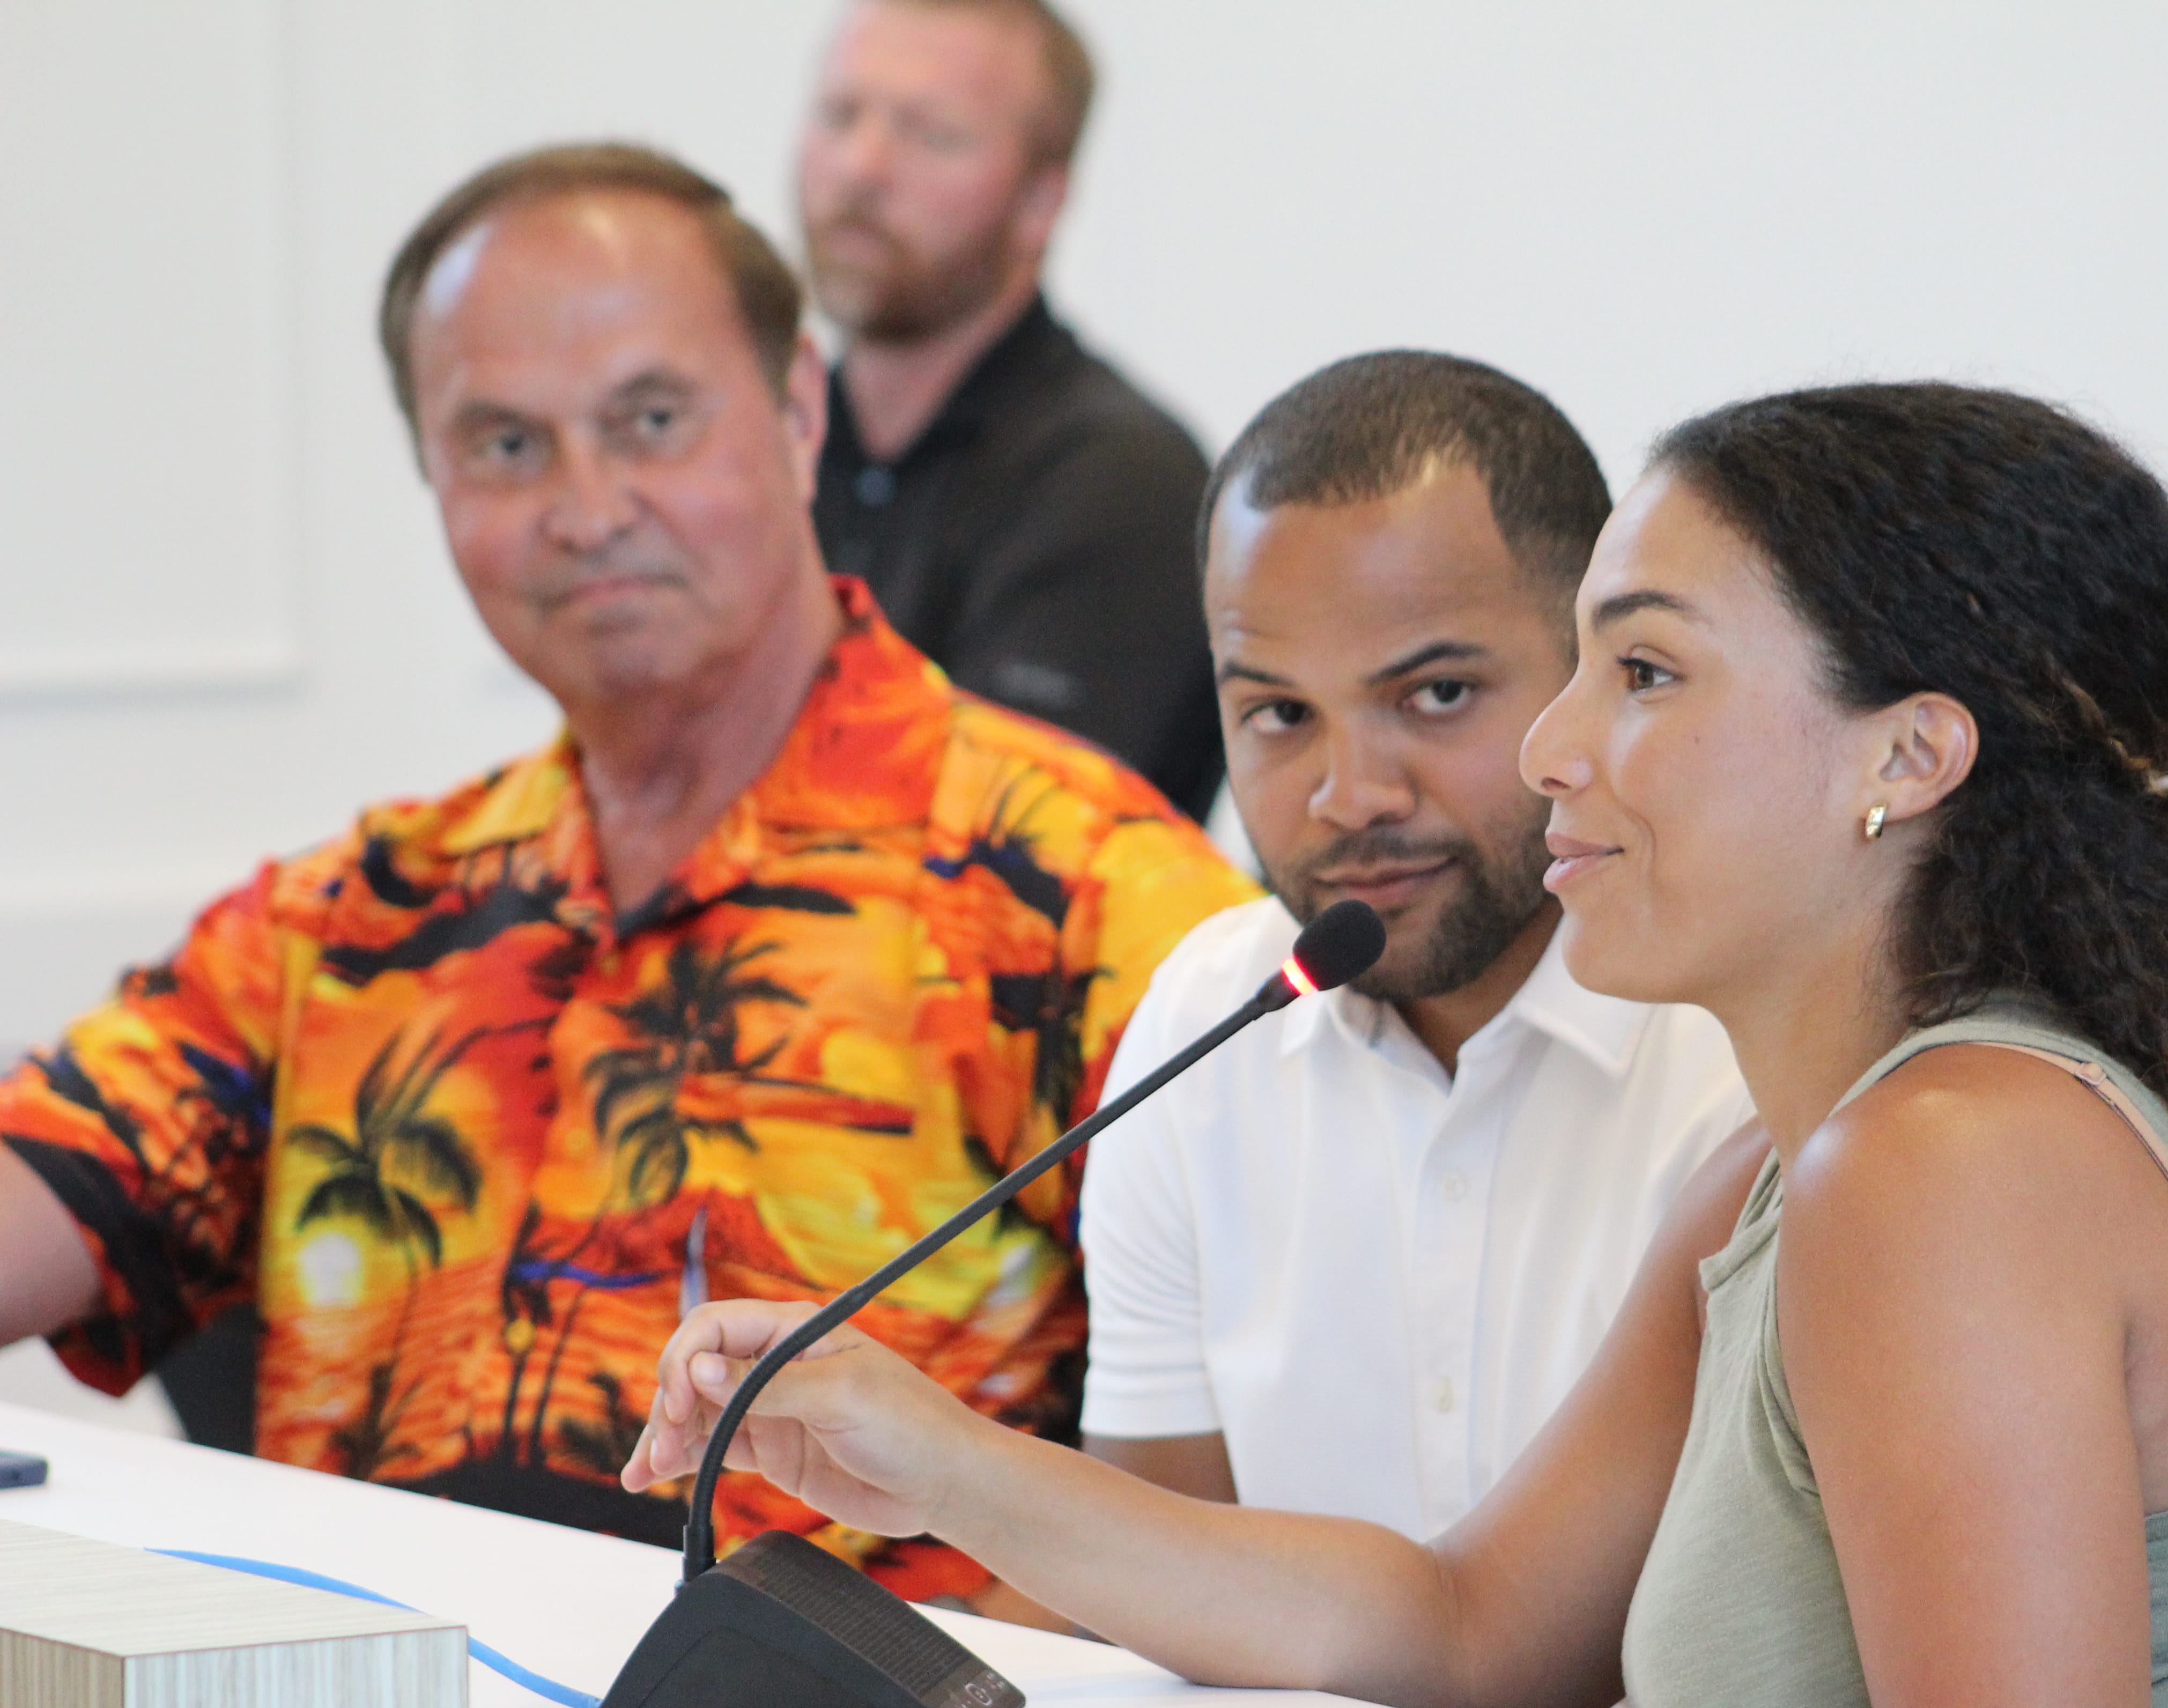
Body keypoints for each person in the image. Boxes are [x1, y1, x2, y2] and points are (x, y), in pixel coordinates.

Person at [630, 383, 2168, 1708]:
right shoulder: (1791, 1167)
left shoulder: (1947, 1170)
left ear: (1904, 757)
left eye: (1642, 671)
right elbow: (1464, 1636)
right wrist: (932, 1456)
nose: (1554, 751)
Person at [0, 143, 1255, 1616]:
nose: (586, 509)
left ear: (798, 416)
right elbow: (52, 1180)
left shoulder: (1084, 895)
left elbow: (1276, 1494)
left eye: (649, 420)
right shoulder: (353, 919)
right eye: (506, 447)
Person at [1075, 353, 1752, 1536]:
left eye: (1435, 696)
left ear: (1600, 671)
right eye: (1280, 715)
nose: (1351, 794)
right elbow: (1160, 1589)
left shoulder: (1753, 1040)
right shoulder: (1202, 1028)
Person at [801, 0, 1223, 819]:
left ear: (1041, 201)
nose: (860, 167)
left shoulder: (1123, 481)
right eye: (840, 115)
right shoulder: (761, 452)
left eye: (933, 134)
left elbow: (1001, 858)